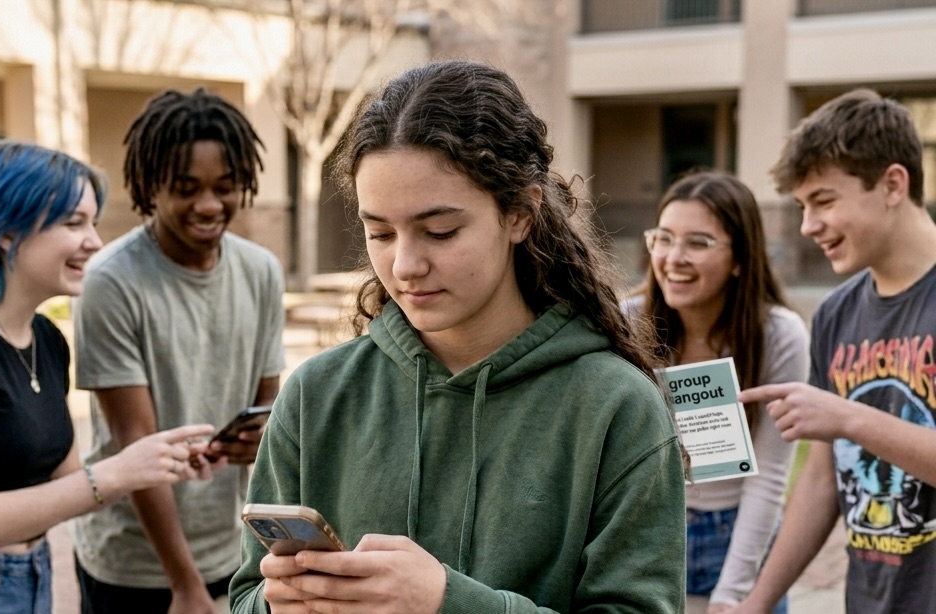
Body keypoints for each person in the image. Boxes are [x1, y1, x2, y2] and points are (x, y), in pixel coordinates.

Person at [229, 59, 686, 613]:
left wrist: (447, 603)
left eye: (439, 231)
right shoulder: (315, 396)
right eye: (379, 232)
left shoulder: (618, 408)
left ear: (520, 214)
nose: (404, 265)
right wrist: (279, 604)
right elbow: (247, 595)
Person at [0, 140, 215, 613]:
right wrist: (118, 470)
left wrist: (159, 463)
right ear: (6, 231)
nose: (94, 241)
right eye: (74, 223)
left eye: (92, 222)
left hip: (34, 577)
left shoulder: (47, 340)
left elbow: (72, 484)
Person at [69, 87, 285, 613]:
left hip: (231, 549)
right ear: (150, 187)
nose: (210, 205)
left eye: (226, 187)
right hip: (135, 564)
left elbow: (268, 418)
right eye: (186, 188)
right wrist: (184, 584)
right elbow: (134, 441)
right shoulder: (111, 282)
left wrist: (260, 440)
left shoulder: (260, 272)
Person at [732, 89, 936, 614]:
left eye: (823, 201)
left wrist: (847, 416)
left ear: (893, 184)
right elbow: (822, 481)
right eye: (802, 206)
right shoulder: (836, 313)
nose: (807, 226)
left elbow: (845, 425)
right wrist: (756, 602)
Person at [629, 170, 809, 613]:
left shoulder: (778, 335)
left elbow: (768, 478)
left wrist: (732, 595)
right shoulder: (628, 322)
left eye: (698, 243)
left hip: (740, 535)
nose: (674, 257)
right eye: (664, 238)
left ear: (740, 259)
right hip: (650, 529)